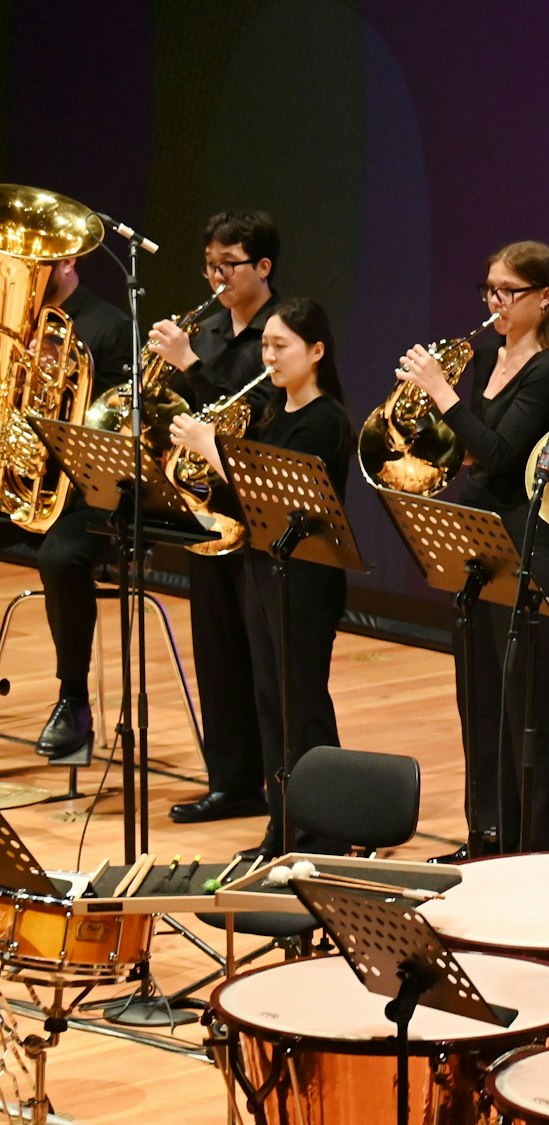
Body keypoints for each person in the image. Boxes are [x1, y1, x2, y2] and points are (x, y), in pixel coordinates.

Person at [400, 240, 549, 855]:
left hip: (527, 543)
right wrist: (422, 425)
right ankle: (488, 837)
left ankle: (541, 849)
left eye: (509, 292)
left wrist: (444, 396)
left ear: (544, 297)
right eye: (490, 290)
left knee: (527, 712)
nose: (495, 303)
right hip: (475, 544)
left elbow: (502, 458)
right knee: (478, 700)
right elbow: (469, 449)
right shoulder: (486, 356)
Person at [169, 298, 352, 858]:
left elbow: (269, 493)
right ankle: (284, 826)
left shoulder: (324, 421)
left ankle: (327, 826)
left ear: (316, 352)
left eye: (281, 346)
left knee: (303, 709)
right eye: (266, 345)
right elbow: (242, 497)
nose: (269, 356)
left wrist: (212, 449)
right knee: (272, 705)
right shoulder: (273, 411)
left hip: (307, 582)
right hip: (262, 569)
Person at [147, 212, 282, 824]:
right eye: (210, 265)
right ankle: (231, 782)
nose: (216, 277)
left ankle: (280, 784)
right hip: (207, 514)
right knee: (218, 654)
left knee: (262, 658)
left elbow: (243, 417)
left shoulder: (279, 337)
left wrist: (187, 364)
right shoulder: (210, 331)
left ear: (262, 267)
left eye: (228, 265)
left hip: (258, 514)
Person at [0, 254, 133, 762]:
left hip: (88, 498)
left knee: (59, 558)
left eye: (39, 259)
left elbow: (119, 429)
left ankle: (73, 701)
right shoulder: (15, 320)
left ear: (69, 259)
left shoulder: (110, 328)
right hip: (22, 486)